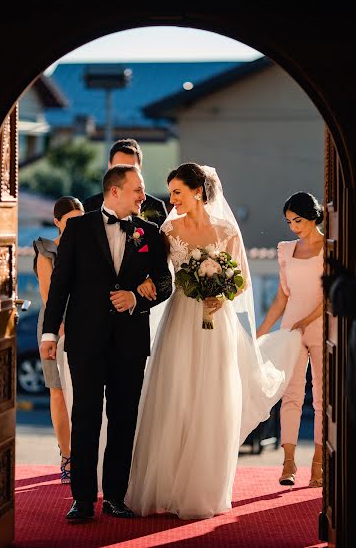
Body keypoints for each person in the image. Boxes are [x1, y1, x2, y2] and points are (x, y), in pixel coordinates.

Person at [125, 163, 302, 520]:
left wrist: (221, 297)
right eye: (171, 191)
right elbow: (159, 273)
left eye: (177, 192)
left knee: (211, 398)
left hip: (215, 321)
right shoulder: (167, 230)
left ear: (198, 192)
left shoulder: (226, 231)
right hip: (179, 320)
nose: (171, 199)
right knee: (176, 395)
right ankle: (166, 485)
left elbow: (242, 282)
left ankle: (200, 489)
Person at [40, 164, 172, 523]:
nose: (144, 196)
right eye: (137, 190)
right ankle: (82, 499)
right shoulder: (79, 228)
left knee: (124, 419)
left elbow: (165, 282)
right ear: (115, 191)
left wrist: (136, 298)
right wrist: (49, 333)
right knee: (84, 418)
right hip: (85, 339)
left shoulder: (149, 232)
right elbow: (60, 285)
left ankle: (115, 496)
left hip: (129, 341)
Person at [256, 191, 324, 488]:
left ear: (312, 216)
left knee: (323, 399)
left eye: (298, 220)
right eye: (289, 222)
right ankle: (288, 463)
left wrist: (308, 320)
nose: (294, 226)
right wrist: (263, 330)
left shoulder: (332, 247)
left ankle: (319, 465)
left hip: (322, 326)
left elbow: (332, 293)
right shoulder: (285, 249)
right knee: (291, 395)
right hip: (290, 328)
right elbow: (283, 295)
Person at [33, 195, 84, 483]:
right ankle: (67, 457)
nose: (75, 227)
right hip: (56, 326)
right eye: (70, 222)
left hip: (86, 325)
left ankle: (87, 455)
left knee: (85, 394)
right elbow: (47, 294)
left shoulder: (88, 248)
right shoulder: (46, 251)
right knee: (59, 393)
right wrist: (61, 328)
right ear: (57, 222)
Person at [84, 138, 168, 225]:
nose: (125, 174)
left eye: (131, 168)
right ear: (109, 166)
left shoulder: (156, 207)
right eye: (119, 168)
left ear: (140, 167)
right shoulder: (90, 205)